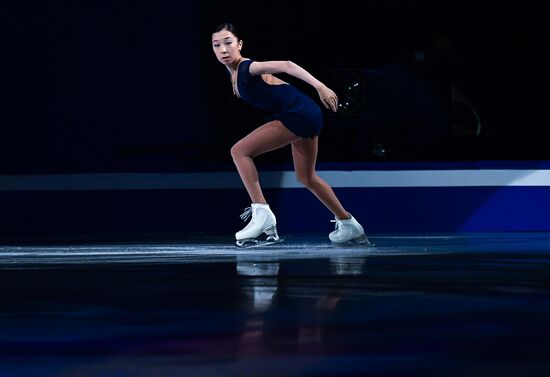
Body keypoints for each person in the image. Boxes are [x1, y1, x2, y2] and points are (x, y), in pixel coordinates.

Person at [211, 22, 369, 247]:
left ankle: (262, 213)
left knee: (239, 151)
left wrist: (320, 86)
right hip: (306, 113)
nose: (223, 49)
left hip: (299, 114)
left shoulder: (247, 68)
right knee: (306, 177)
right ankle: (349, 224)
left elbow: (287, 65)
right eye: (217, 45)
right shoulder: (234, 75)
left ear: (240, 44)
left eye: (228, 43)